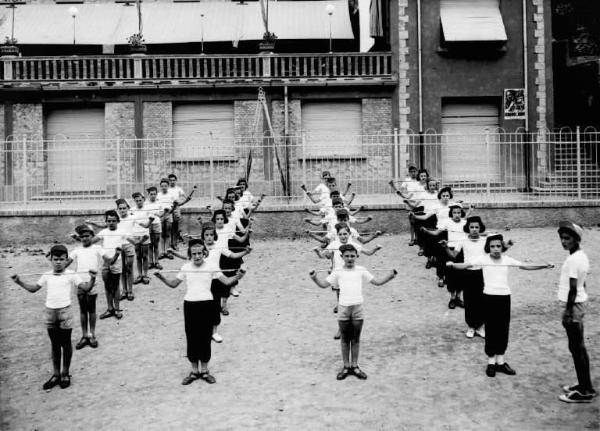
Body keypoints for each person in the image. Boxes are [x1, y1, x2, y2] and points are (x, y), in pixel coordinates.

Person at [448, 234, 552, 377]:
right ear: (488, 248)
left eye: (498, 246)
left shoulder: (507, 259)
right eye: (492, 246)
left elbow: (525, 266)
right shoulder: (483, 259)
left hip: (504, 298)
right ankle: (491, 363)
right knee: (491, 329)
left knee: (503, 329)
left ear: (502, 247)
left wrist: (544, 265)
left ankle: (501, 362)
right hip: (488, 298)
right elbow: (465, 265)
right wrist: (452, 265)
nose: (496, 249)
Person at [154, 240, 245, 385]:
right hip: (190, 305)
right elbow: (173, 284)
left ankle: (205, 371)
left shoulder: (211, 267)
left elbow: (227, 282)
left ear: (204, 253)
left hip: (207, 305)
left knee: (205, 337)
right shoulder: (185, 267)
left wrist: (239, 276)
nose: (197, 256)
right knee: (192, 337)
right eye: (194, 254)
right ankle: (194, 371)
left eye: (200, 253)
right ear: (190, 255)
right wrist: (161, 277)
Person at [11, 245, 97, 390]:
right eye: (55, 259)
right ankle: (56, 374)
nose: (58, 262)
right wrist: (18, 281)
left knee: (66, 344)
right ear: (50, 259)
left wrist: (93, 278)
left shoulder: (72, 274)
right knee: (55, 345)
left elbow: (86, 288)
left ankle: (65, 373)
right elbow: (33, 289)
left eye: (61, 259)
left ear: (66, 260)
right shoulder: (47, 275)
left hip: (65, 313)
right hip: (50, 313)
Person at [309, 244, 397, 380]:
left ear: (357, 256)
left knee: (356, 339)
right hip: (343, 309)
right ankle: (346, 366)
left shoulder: (361, 270)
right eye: (347, 256)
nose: (350, 258)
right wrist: (314, 277)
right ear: (342, 257)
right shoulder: (337, 271)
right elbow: (323, 285)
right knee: (344, 340)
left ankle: (355, 366)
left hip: (358, 309)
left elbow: (378, 282)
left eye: (352, 255)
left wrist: (391, 276)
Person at [556, 221, 596, 403]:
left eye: (568, 238)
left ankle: (585, 391)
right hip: (578, 303)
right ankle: (583, 385)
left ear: (577, 239)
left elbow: (573, 289)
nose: (564, 242)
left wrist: (568, 311)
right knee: (577, 347)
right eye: (562, 238)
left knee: (577, 347)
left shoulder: (574, 260)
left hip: (574, 307)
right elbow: (583, 283)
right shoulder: (580, 256)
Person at [68, 224, 118, 350]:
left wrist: (117, 254)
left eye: (87, 236)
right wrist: (50, 258)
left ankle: (92, 335)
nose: (85, 238)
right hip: (79, 283)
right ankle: (84, 335)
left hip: (92, 282)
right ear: (79, 238)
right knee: (83, 310)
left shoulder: (97, 248)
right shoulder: (76, 251)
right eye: (82, 236)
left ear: (92, 236)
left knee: (92, 310)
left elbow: (110, 261)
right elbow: (64, 264)